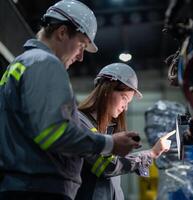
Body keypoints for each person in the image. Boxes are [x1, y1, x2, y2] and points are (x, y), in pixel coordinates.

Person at [0, 1, 140, 200]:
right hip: (39, 189)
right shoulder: (45, 62)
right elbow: (53, 132)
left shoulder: (20, 64)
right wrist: (109, 143)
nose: (81, 56)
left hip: (22, 185)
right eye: (82, 44)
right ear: (62, 32)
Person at [74, 63, 173, 200]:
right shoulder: (80, 122)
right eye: (124, 98)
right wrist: (152, 153)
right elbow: (106, 166)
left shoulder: (106, 130)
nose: (125, 108)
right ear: (107, 90)